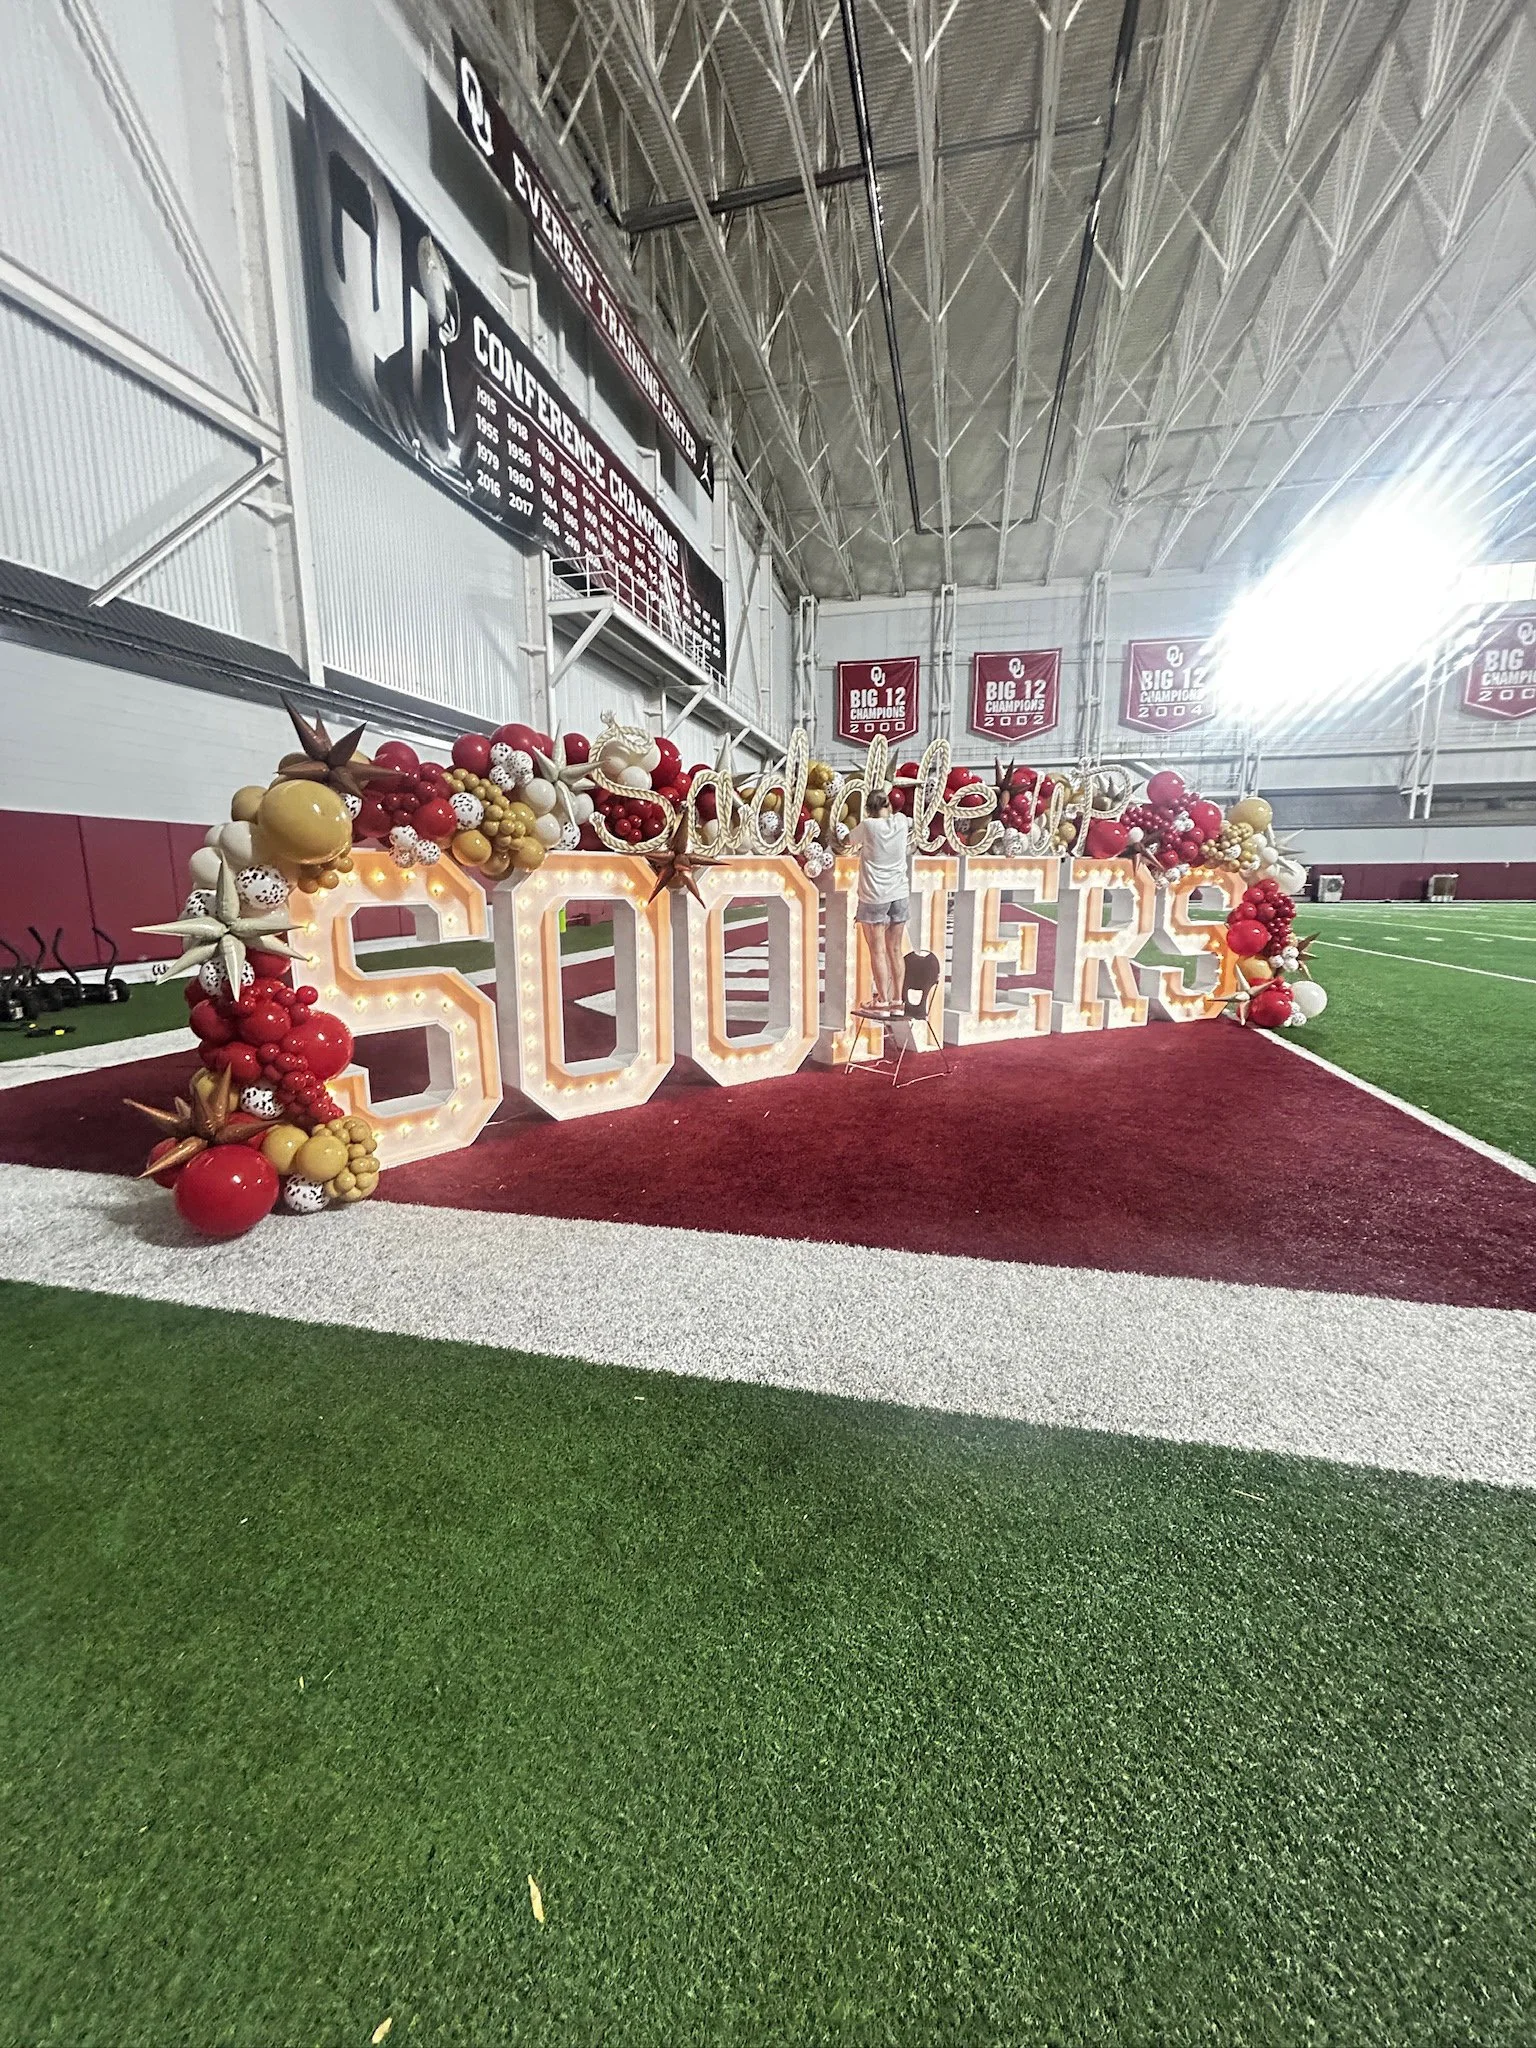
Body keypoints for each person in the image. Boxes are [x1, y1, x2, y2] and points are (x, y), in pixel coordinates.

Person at [849, 789, 911, 1016]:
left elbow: (847, 840)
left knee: (877, 950)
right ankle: (897, 1000)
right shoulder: (902, 822)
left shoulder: (867, 826)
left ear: (867, 808)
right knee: (895, 949)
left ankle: (882, 1001)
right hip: (899, 893)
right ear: (890, 806)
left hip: (874, 895)